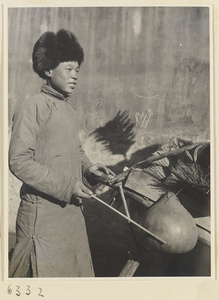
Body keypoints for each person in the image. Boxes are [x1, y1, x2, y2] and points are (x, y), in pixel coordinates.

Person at [9, 29, 115, 278]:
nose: (75, 76)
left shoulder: (68, 111)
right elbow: (19, 161)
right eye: (68, 69)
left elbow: (75, 151)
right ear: (48, 70)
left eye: (77, 70)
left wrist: (90, 168)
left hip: (71, 218)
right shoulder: (32, 107)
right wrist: (68, 186)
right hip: (42, 219)